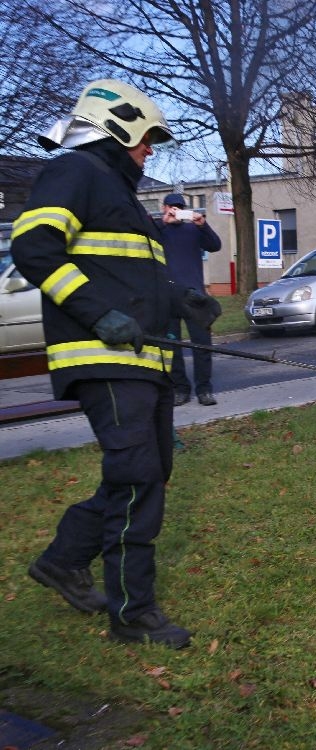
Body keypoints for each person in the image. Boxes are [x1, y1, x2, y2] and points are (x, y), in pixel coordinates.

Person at [12, 79, 220, 649]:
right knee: (136, 479)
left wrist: (184, 301)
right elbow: (33, 249)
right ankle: (133, 614)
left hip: (143, 359)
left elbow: (130, 280)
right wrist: (99, 315)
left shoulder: (122, 196)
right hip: (104, 358)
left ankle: (63, 561)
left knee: (147, 472)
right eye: (145, 139)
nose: (150, 149)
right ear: (116, 128)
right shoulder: (75, 172)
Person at [160, 193, 222, 406]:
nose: (175, 210)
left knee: (202, 345)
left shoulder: (193, 230)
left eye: (179, 207)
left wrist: (203, 225)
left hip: (194, 297)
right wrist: (164, 224)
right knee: (171, 346)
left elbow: (215, 245)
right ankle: (180, 389)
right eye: (172, 207)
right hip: (167, 298)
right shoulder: (159, 231)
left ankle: (204, 390)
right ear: (164, 208)